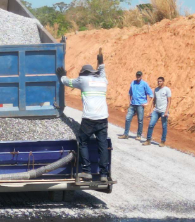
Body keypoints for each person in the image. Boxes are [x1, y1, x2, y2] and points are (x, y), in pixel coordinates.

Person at [57, 48, 111, 182]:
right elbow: (102, 72)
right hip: (103, 118)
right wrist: (101, 63)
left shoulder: (83, 80)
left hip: (89, 119)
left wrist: (62, 75)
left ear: (83, 73)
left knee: (83, 141)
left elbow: (67, 82)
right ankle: (104, 174)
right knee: (103, 145)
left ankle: (86, 170)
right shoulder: (103, 81)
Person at [121, 70, 153, 140]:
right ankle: (125, 134)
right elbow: (129, 93)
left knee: (140, 120)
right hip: (132, 104)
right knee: (128, 118)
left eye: (139, 75)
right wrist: (129, 102)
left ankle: (139, 135)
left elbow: (151, 94)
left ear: (141, 76)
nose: (138, 76)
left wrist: (147, 103)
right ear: (136, 76)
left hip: (140, 105)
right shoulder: (133, 83)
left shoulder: (144, 84)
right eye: (137, 75)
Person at [143, 77, 172, 147]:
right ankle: (148, 140)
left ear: (163, 82)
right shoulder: (156, 90)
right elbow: (154, 101)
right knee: (151, 125)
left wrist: (166, 111)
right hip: (156, 110)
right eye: (158, 81)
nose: (159, 82)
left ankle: (162, 141)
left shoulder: (167, 90)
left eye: (160, 81)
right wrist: (151, 111)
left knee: (164, 126)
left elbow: (169, 101)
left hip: (163, 111)